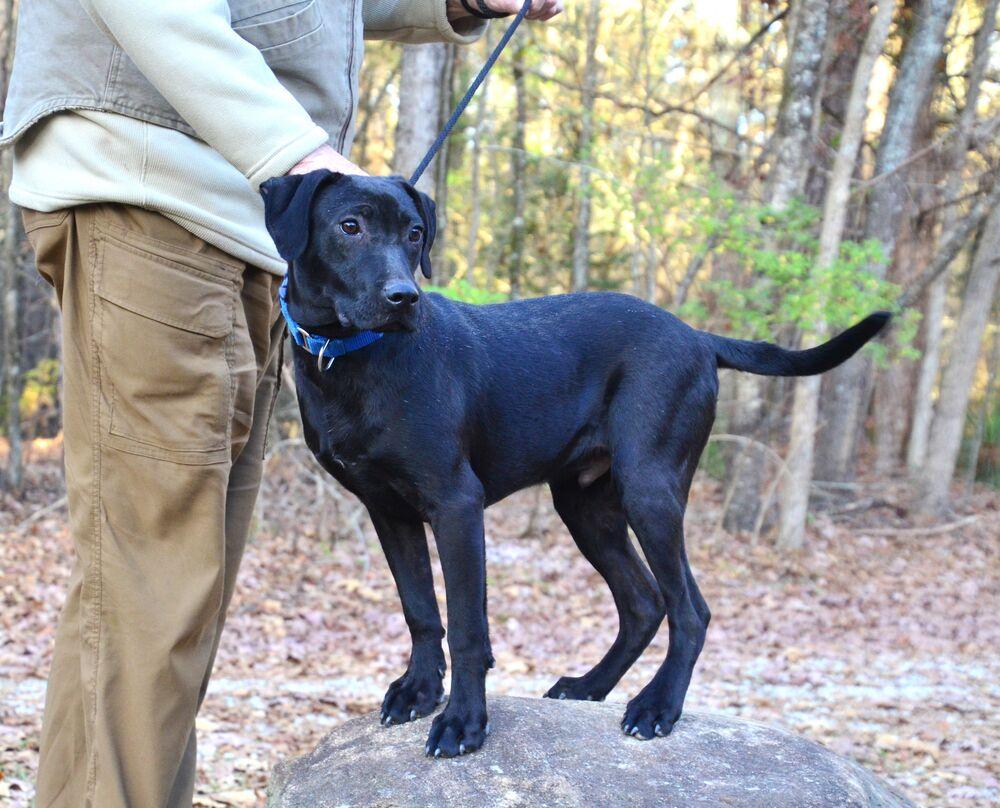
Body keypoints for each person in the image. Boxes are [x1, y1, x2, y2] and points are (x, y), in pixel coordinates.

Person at [0, 0, 562, 804]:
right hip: (153, 193)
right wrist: (298, 154)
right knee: (148, 588)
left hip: (249, 225)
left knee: (181, 595)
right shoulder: (288, 175)